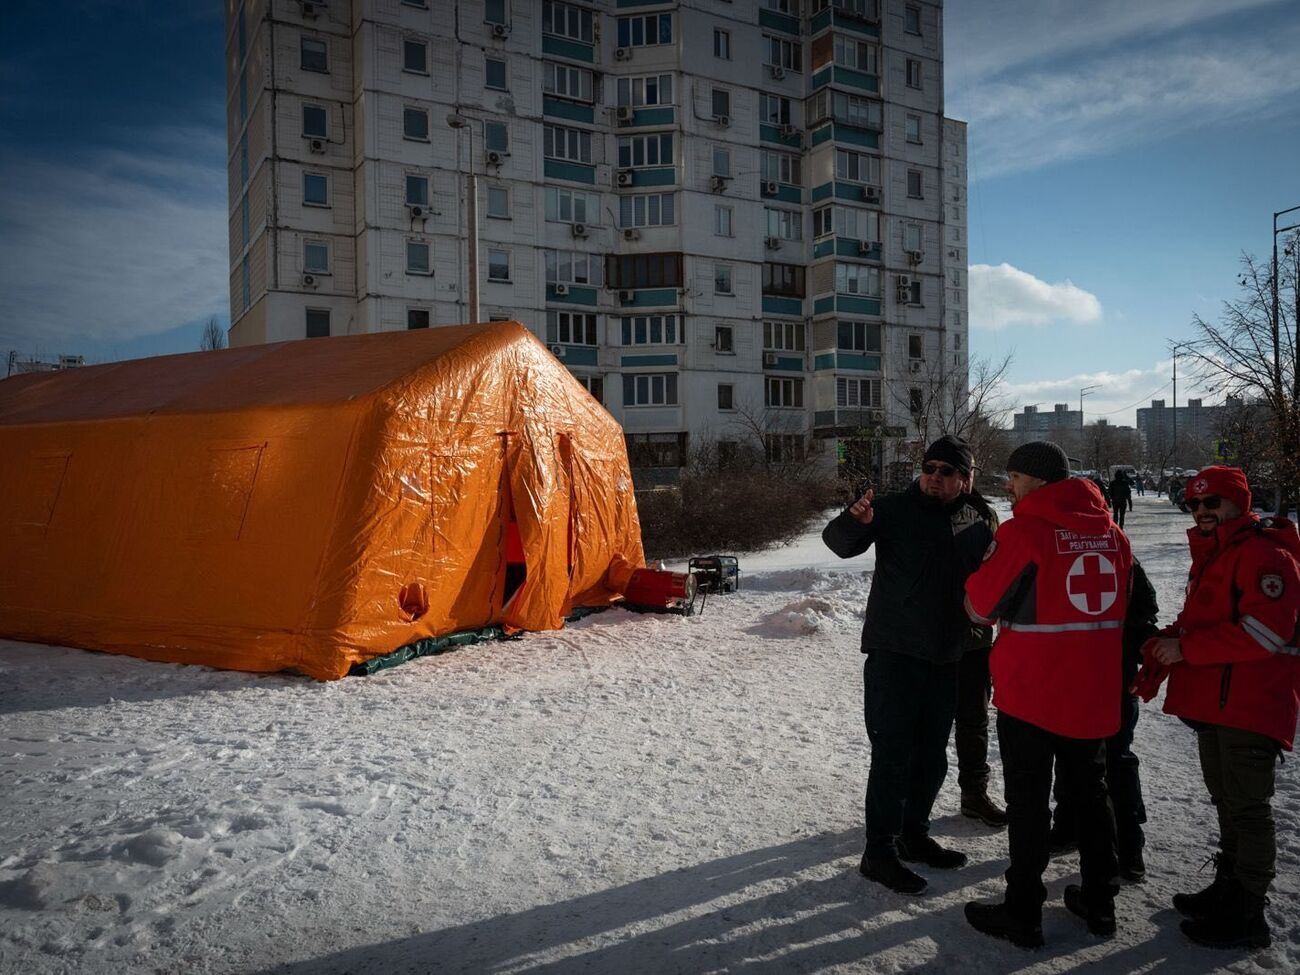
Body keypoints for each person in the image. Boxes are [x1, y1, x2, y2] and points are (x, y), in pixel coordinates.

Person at [963, 441, 1133, 948]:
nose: (1008, 486)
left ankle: (1023, 913)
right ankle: (1102, 905)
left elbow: (978, 606)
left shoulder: (1025, 532)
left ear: (1034, 480)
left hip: (1032, 693)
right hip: (1094, 693)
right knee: (1091, 795)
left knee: (1030, 802)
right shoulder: (1114, 535)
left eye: (1013, 477)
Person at [1135, 466, 1300, 950]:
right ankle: (1228, 888)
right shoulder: (1218, 553)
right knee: (1226, 801)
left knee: (1248, 809)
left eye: (1214, 503)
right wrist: (1164, 641)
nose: (1203, 512)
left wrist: (1186, 651)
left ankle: (1249, 910)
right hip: (1218, 703)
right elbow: (1200, 618)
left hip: (1250, 705)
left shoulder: (1265, 555)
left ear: (1240, 503)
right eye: (1195, 505)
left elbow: (1267, 632)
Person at [823, 435, 993, 895]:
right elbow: (838, 544)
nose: (935, 477)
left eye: (947, 471)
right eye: (930, 467)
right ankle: (879, 852)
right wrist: (851, 521)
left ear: (965, 479)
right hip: (893, 652)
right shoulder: (893, 509)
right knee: (892, 755)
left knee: (931, 756)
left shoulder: (976, 520)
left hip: (947, 654)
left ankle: (915, 835)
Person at [1049, 560, 1159, 882]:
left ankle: (1128, 845)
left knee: (1116, 760)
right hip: (1069, 674)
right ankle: (1068, 825)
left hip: (1114, 676)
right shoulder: (1063, 544)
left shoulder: (1118, 550)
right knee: (1069, 752)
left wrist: (1135, 648)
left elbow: (1143, 608)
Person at [955, 488, 1008, 829]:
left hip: (974, 639)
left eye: (963, 471)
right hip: (927, 641)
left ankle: (974, 794)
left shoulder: (985, 515)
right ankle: (909, 803)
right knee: (921, 726)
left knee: (974, 722)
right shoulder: (918, 510)